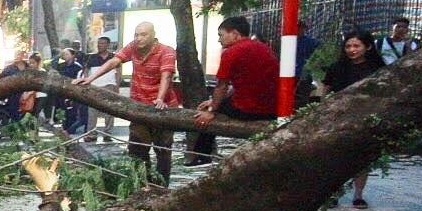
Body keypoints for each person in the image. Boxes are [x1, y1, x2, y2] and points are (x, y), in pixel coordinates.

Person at [81, 20, 179, 186]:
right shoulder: (133, 47)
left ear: (153, 36)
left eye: (143, 34)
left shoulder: (166, 51)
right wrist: (90, 79)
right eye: (136, 34)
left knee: (163, 150)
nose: (138, 38)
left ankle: (162, 186)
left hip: (162, 108)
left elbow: (166, 75)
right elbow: (114, 61)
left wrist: (161, 98)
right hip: (138, 107)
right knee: (137, 149)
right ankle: (143, 184)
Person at [190, 17, 278, 162]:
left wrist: (212, 110)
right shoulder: (263, 48)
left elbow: (222, 86)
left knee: (205, 116)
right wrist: (213, 101)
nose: (219, 40)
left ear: (235, 34)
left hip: (249, 110)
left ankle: (201, 156)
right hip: (273, 110)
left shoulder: (232, 52)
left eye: (221, 35)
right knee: (217, 104)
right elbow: (243, 85)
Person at [320, 31, 382, 208]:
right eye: (348, 46)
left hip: (365, 119)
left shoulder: (376, 69)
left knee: (361, 160)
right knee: (335, 160)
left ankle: (358, 195)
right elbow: (326, 91)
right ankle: (333, 193)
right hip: (338, 119)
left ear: (367, 47)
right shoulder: (336, 68)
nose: (352, 50)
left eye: (356, 46)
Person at [82, 35, 115, 140]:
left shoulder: (114, 57)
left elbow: (118, 72)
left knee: (110, 111)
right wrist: (86, 83)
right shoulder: (91, 57)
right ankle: (91, 133)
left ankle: (108, 133)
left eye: (102, 43)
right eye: (99, 43)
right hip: (94, 86)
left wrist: (117, 85)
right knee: (92, 111)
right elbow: (86, 71)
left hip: (109, 85)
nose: (100, 45)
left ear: (108, 45)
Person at [56, 46, 88, 134]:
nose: (64, 56)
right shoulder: (61, 66)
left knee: (73, 111)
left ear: (73, 55)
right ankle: (65, 127)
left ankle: (70, 129)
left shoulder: (77, 67)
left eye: (67, 54)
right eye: (63, 54)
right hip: (62, 90)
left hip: (72, 91)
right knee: (63, 110)